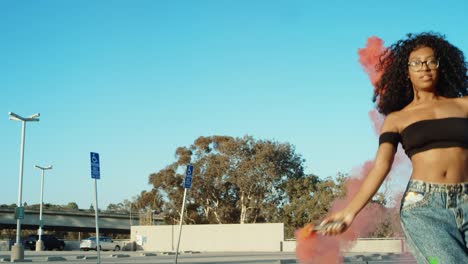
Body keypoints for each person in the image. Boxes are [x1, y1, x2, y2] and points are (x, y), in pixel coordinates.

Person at [319, 32, 468, 263]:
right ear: (406, 71)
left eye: (431, 61)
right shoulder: (397, 119)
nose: (424, 67)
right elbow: (381, 167)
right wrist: (349, 212)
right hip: (425, 208)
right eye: (416, 63)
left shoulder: (464, 105)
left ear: (441, 67)